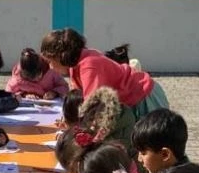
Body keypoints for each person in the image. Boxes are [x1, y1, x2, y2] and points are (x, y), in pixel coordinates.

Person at [40, 27, 169, 121]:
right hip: (133, 99)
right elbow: (77, 99)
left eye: (50, 61)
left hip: (144, 97)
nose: (51, 67)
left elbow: (93, 105)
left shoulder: (89, 65)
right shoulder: (77, 64)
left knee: (153, 144)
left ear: (61, 56)